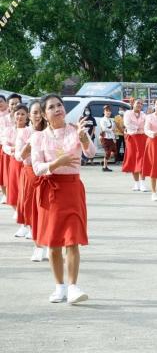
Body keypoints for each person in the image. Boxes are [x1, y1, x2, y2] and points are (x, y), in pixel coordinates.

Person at [31, 94, 95, 304]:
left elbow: (91, 153)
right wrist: (58, 163)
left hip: (73, 189)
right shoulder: (39, 137)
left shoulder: (75, 130)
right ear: (44, 115)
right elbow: (37, 168)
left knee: (72, 239)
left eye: (59, 105)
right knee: (54, 242)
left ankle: (73, 286)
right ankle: (60, 287)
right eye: (51, 107)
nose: (57, 109)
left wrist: (83, 138)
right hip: (51, 191)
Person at [15, 100, 48, 261]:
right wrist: (27, 148)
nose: (38, 115)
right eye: (34, 112)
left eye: (40, 112)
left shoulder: (50, 131)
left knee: (46, 211)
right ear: (29, 115)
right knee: (32, 211)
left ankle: (48, 244)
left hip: (48, 175)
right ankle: (38, 246)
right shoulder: (24, 133)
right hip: (30, 175)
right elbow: (18, 156)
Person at [2, 104, 28, 227]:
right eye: (18, 114)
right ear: (13, 115)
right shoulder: (9, 130)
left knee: (25, 193)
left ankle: (27, 223)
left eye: (23, 114)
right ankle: (21, 219)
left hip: (26, 163)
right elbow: (5, 146)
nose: (20, 116)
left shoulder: (30, 131)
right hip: (13, 163)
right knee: (12, 194)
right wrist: (16, 149)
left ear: (27, 116)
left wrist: (18, 149)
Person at [0, 93, 22, 203]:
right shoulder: (3, 119)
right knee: (4, 174)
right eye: (12, 104)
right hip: (8, 149)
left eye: (17, 103)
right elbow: (3, 136)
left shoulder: (25, 116)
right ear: (8, 105)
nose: (14, 106)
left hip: (21, 151)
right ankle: (6, 195)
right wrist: (11, 148)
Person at [122, 98, 148, 192]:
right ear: (133, 103)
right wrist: (138, 128)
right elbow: (127, 124)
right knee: (133, 159)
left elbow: (146, 125)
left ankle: (142, 183)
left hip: (142, 138)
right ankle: (136, 183)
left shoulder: (144, 115)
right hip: (131, 139)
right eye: (138, 103)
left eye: (141, 103)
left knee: (142, 160)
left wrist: (139, 128)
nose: (139, 105)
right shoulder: (128, 113)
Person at [99, 105, 116, 172]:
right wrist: (111, 130)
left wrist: (114, 138)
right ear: (104, 112)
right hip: (105, 138)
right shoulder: (102, 120)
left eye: (109, 111)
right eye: (107, 111)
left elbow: (113, 130)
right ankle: (105, 167)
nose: (108, 112)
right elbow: (104, 129)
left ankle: (104, 161)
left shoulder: (111, 120)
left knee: (114, 152)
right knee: (108, 152)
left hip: (111, 138)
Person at [0, 95, 9, 202]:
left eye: (1, 101)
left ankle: (9, 193)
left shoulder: (11, 115)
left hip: (8, 146)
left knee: (6, 171)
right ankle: (4, 194)